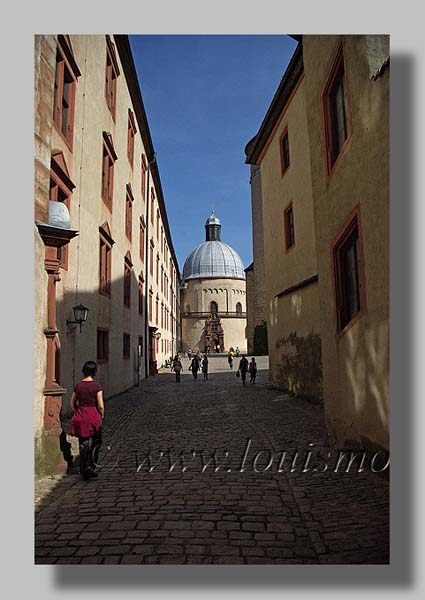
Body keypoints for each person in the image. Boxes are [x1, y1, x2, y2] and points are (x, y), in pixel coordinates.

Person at [70, 361, 104, 481]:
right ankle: (91, 466)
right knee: (95, 442)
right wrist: (102, 415)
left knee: (83, 443)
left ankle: (83, 469)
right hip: (93, 416)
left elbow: (72, 402)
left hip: (81, 415)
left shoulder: (78, 386)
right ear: (94, 372)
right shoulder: (96, 386)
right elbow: (100, 405)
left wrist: (77, 411)